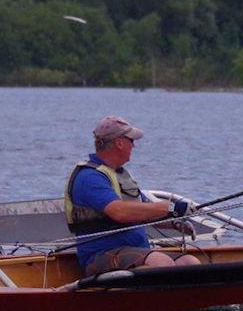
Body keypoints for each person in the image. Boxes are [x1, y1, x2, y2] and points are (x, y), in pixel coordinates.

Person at [64, 116, 202, 276]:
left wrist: (174, 223)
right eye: (131, 140)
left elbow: (143, 213)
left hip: (135, 252)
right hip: (101, 256)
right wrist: (170, 207)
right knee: (160, 262)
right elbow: (119, 212)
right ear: (119, 143)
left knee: (189, 262)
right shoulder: (90, 177)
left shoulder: (120, 175)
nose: (134, 145)